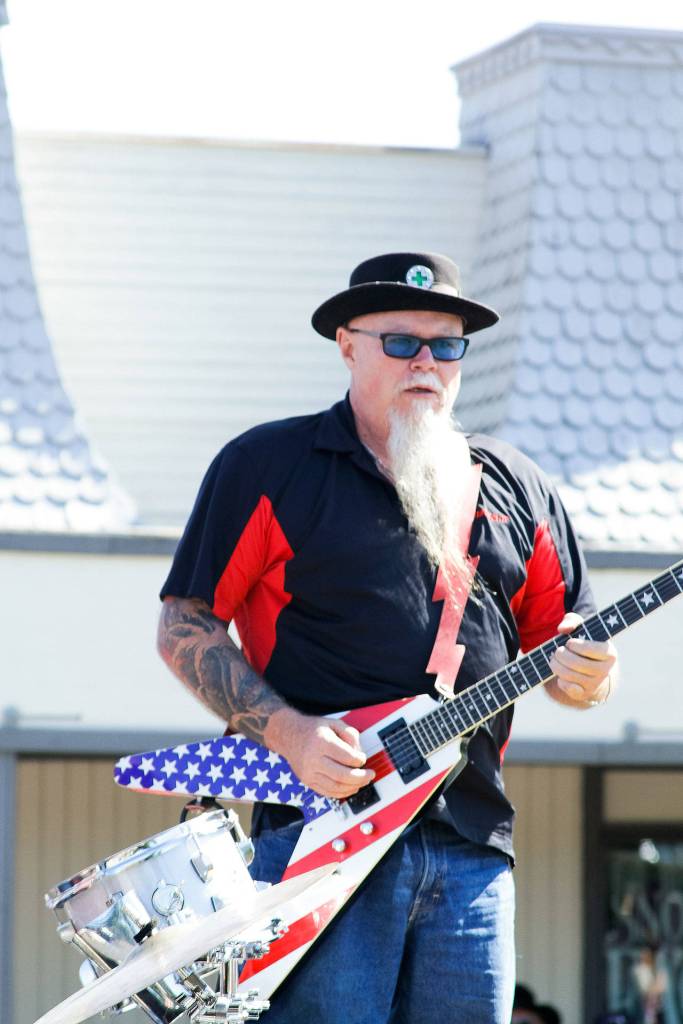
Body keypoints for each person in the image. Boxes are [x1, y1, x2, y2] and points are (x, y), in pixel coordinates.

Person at [157, 252, 618, 1023]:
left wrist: (590, 674)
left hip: (473, 848)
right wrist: (292, 734)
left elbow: (572, 664)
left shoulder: (519, 484)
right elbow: (184, 626)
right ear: (346, 343)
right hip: (317, 840)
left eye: (446, 345)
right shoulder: (267, 465)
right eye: (400, 342)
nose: (426, 362)